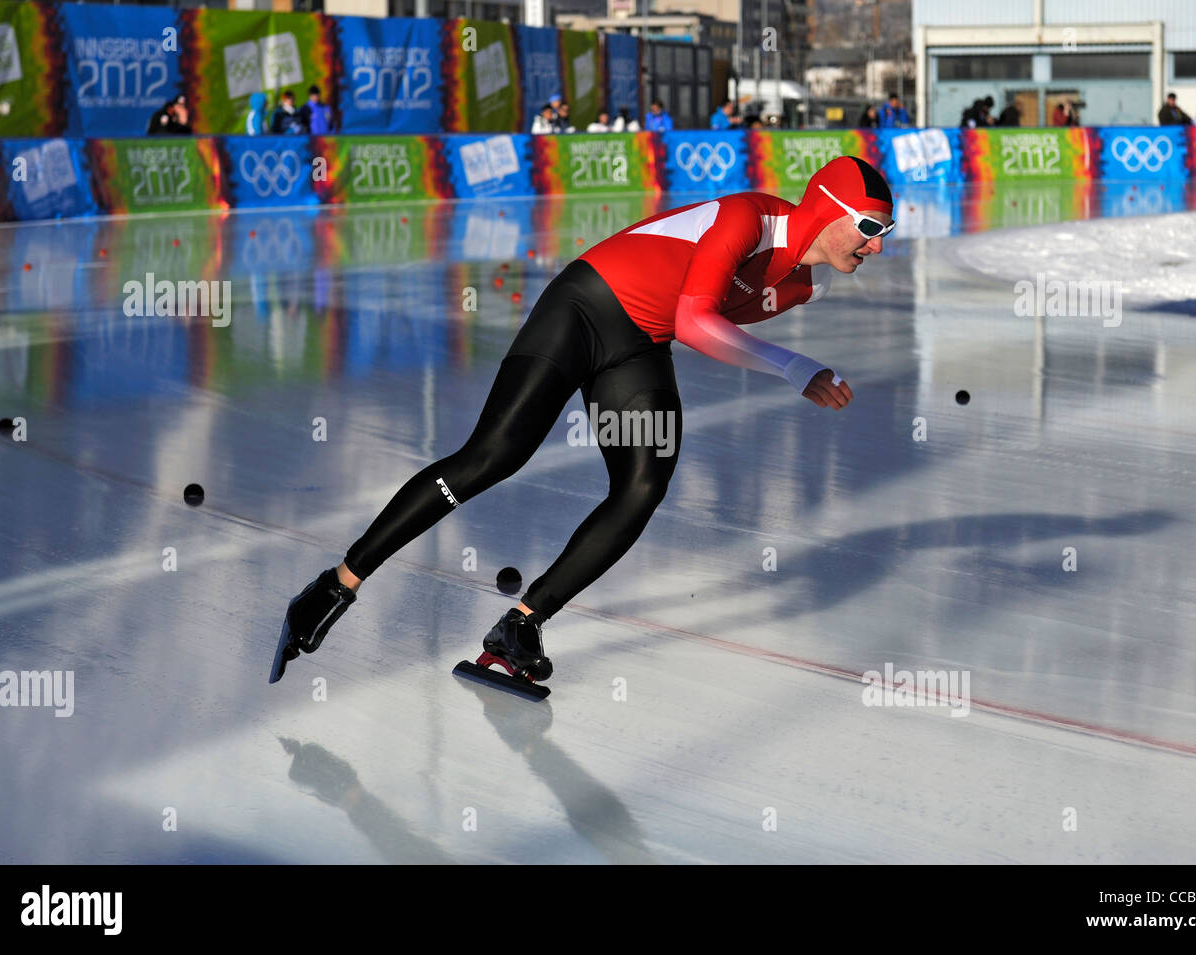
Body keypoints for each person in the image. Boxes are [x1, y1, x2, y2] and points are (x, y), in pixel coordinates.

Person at [270, 155, 896, 688]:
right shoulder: (748, 218)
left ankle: (521, 623)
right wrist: (794, 368)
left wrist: (788, 365)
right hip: (584, 307)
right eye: (869, 228)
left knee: (642, 487)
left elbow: (700, 326)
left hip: (637, 347)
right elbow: (697, 321)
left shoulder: (802, 286)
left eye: (884, 231)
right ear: (827, 209)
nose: (876, 244)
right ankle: (334, 586)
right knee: (494, 455)